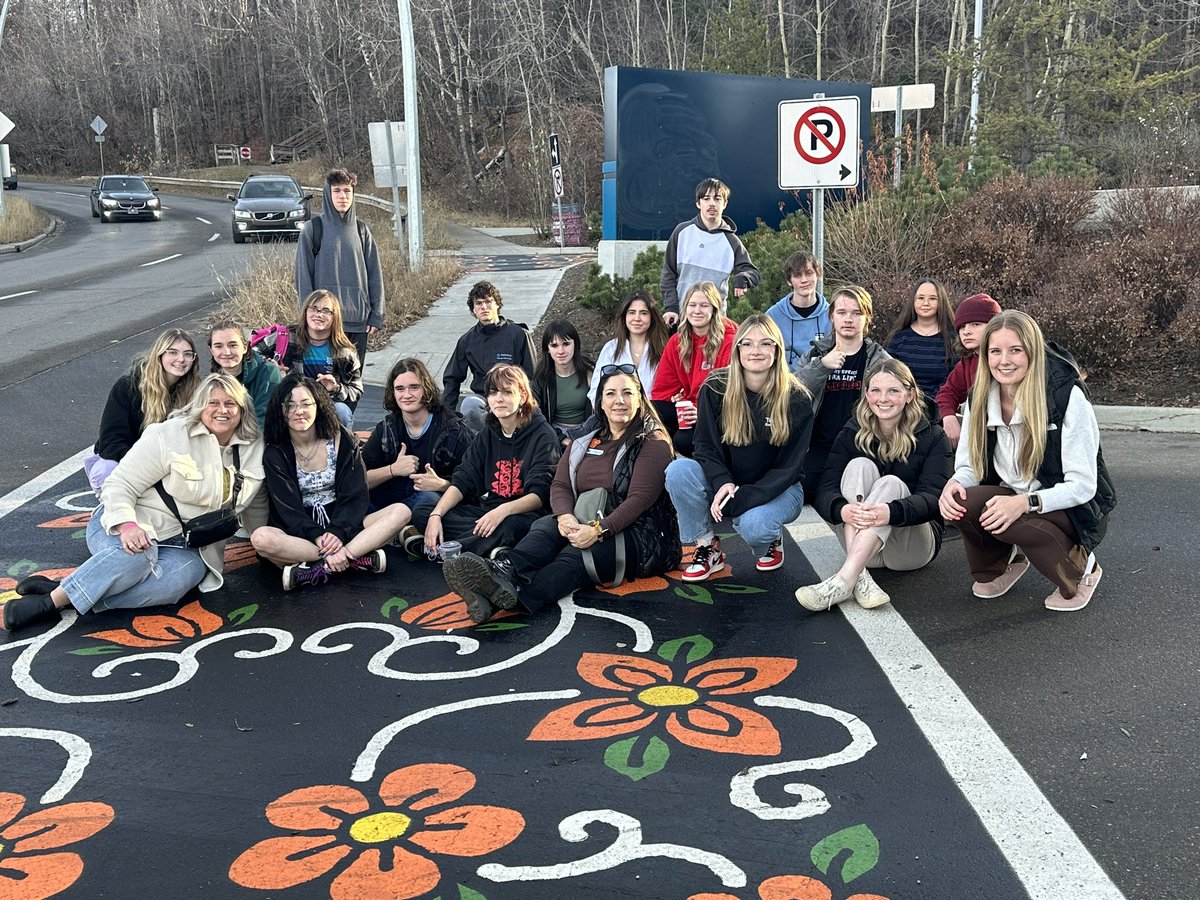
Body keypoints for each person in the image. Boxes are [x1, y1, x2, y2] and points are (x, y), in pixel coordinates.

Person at [4, 374, 267, 632]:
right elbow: (120, 484)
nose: (222, 410)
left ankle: (68, 590)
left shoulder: (252, 445)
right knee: (138, 557)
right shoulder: (169, 435)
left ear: (242, 410)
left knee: (173, 586)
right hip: (130, 524)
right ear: (200, 406)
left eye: (231, 404)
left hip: (190, 545)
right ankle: (50, 604)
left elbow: (254, 501)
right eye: (213, 403)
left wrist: (266, 544)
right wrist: (128, 525)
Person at [440, 366, 680, 624]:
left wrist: (599, 530)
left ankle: (512, 599)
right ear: (600, 401)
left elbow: (639, 501)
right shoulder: (587, 437)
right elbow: (560, 485)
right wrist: (565, 517)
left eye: (627, 393)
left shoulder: (652, 442)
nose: (619, 401)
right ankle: (505, 569)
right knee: (546, 525)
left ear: (640, 399)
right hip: (586, 517)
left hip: (638, 533)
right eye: (610, 393)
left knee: (575, 558)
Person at [937, 311, 1116, 612]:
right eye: (995, 351)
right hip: (1011, 493)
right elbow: (968, 467)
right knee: (962, 503)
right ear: (984, 355)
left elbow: (1083, 486)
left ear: (1032, 351)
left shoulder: (1065, 398)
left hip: (1069, 505)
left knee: (1013, 520)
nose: (1004, 360)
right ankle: (1002, 564)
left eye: (1015, 350)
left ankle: (1083, 570)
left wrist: (1025, 503)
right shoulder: (978, 398)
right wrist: (954, 485)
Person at [665, 315, 814, 582]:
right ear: (738, 349)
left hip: (780, 488)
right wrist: (722, 481)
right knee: (678, 471)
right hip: (729, 483)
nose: (756, 351)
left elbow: (788, 469)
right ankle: (707, 547)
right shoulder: (715, 388)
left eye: (765, 343)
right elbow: (705, 446)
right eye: (747, 344)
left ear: (777, 350)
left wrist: (741, 500)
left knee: (754, 526)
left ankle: (769, 541)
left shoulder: (797, 398)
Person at [797, 359, 952, 612]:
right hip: (867, 550)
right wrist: (841, 510)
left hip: (909, 549)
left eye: (893, 391)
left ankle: (845, 578)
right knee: (859, 465)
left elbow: (935, 499)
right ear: (866, 394)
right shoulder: (851, 432)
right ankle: (857, 575)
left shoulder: (933, 436)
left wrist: (891, 512)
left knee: (891, 483)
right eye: (876, 390)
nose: (883, 398)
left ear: (910, 394)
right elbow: (826, 489)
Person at [250, 374, 407, 591]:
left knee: (400, 512)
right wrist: (316, 535)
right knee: (261, 538)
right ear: (282, 411)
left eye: (306, 404)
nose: (299, 411)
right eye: (291, 405)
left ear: (319, 405)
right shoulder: (275, 453)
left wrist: (338, 532)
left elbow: (356, 494)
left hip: (344, 523)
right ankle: (354, 558)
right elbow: (287, 509)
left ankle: (319, 568)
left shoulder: (342, 440)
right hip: (302, 533)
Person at [423, 364, 561, 560]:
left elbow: (539, 495)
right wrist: (435, 516)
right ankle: (488, 548)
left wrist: (501, 512)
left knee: (509, 526)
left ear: (522, 396)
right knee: (424, 511)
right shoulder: (488, 433)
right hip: (488, 511)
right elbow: (464, 479)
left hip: (524, 514)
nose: (499, 399)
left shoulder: (543, 435)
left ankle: (447, 552)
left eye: (507, 392)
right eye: (493, 392)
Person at [361, 358, 470, 546]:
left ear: (426, 389)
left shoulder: (453, 431)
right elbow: (358, 480)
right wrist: (393, 470)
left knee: (429, 501)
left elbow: (473, 486)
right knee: (355, 501)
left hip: (426, 501)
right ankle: (401, 532)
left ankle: (392, 532)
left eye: (414, 387)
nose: (407, 395)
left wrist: (442, 484)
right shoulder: (387, 428)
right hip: (389, 500)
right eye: (400, 389)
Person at [796, 284, 890, 498]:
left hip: (862, 446)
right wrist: (822, 366)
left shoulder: (880, 359)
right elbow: (794, 394)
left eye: (856, 313)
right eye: (842, 312)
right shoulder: (814, 356)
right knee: (804, 493)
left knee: (854, 496)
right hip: (817, 447)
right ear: (831, 317)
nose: (848, 319)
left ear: (867, 318)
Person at [86, 328, 203, 494]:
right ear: (159, 354)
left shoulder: (196, 390)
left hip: (168, 463)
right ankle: (108, 511)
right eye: (173, 352)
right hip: (129, 460)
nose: (181, 359)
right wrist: (142, 464)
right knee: (107, 469)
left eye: (188, 354)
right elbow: (110, 441)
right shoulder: (129, 386)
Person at [295, 167, 384, 369]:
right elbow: (303, 277)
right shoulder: (313, 229)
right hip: (324, 323)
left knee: (352, 386)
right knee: (322, 384)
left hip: (358, 323)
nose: (342, 196)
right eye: (337, 191)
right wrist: (308, 318)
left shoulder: (362, 231)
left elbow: (375, 276)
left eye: (347, 191)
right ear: (328, 194)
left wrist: (376, 315)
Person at [650, 281, 738, 457]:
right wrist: (678, 402)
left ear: (714, 309)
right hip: (689, 409)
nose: (697, 311)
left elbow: (731, 394)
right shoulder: (677, 341)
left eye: (704, 305)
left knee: (684, 440)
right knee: (653, 411)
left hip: (719, 415)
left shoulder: (730, 342)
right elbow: (662, 390)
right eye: (692, 305)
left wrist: (700, 412)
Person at [659, 177, 760, 327]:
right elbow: (668, 274)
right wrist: (671, 307)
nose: (712, 203)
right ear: (698, 203)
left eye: (717, 198)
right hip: (682, 320)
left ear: (724, 203)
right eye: (706, 198)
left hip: (716, 324)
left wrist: (743, 277)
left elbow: (752, 272)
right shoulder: (682, 232)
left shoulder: (731, 241)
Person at [442, 280, 538, 433]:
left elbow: (532, 375)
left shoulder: (519, 335)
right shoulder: (467, 341)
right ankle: (481, 448)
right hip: (483, 401)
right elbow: (452, 379)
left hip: (514, 399)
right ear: (473, 309)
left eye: (488, 302)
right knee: (469, 405)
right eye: (479, 303)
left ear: (497, 305)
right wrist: (446, 418)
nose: (484, 307)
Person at [282, 289, 364, 430]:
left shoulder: (345, 352)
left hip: (327, 404)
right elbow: (253, 353)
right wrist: (270, 367)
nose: (319, 315)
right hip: (292, 401)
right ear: (306, 312)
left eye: (326, 311)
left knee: (342, 411)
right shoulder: (286, 337)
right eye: (314, 309)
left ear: (334, 317)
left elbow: (356, 390)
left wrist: (336, 388)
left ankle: (341, 450)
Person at [934, 292, 1003, 448]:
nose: (966, 331)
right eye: (962, 326)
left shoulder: (1009, 361)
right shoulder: (968, 362)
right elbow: (947, 393)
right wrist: (948, 417)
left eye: (975, 324)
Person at [884, 278, 957, 420]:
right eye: (921, 298)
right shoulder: (899, 338)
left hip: (940, 412)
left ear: (941, 301)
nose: (926, 303)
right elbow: (888, 375)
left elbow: (955, 380)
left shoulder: (952, 339)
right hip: (902, 412)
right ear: (913, 301)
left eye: (932, 298)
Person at [588, 290, 669, 407]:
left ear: (652, 317)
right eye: (631, 312)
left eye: (643, 313)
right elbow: (596, 390)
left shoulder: (664, 349)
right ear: (624, 316)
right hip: (617, 416)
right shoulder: (611, 349)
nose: (637, 318)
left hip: (654, 417)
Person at [766, 250, 831, 372]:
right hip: (785, 385)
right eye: (797, 275)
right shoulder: (772, 317)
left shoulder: (832, 315)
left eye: (809, 273)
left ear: (818, 275)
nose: (804, 280)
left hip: (823, 384)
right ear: (789, 281)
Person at [208, 319, 282, 423]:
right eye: (218, 346)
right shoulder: (211, 381)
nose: (226, 352)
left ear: (245, 347)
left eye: (233, 345)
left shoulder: (268, 373)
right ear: (211, 350)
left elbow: (264, 421)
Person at [533, 320, 594, 444]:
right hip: (552, 434)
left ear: (575, 344)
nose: (561, 351)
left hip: (587, 432)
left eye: (566, 344)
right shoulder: (541, 378)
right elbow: (535, 416)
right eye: (554, 346)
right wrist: (561, 439)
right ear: (547, 349)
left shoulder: (591, 373)